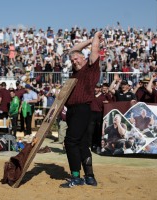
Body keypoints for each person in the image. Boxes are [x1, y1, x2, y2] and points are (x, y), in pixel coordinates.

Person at [60, 32, 102, 188]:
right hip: (72, 110)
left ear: (84, 58)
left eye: (77, 58)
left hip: (83, 108)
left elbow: (94, 49)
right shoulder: (75, 71)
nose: (74, 60)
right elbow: (73, 51)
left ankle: (76, 177)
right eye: (72, 60)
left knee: (70, 141)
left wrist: (94, 39)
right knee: (83, 143)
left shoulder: (91, 67)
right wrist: (89, 40)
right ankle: (90, 177)